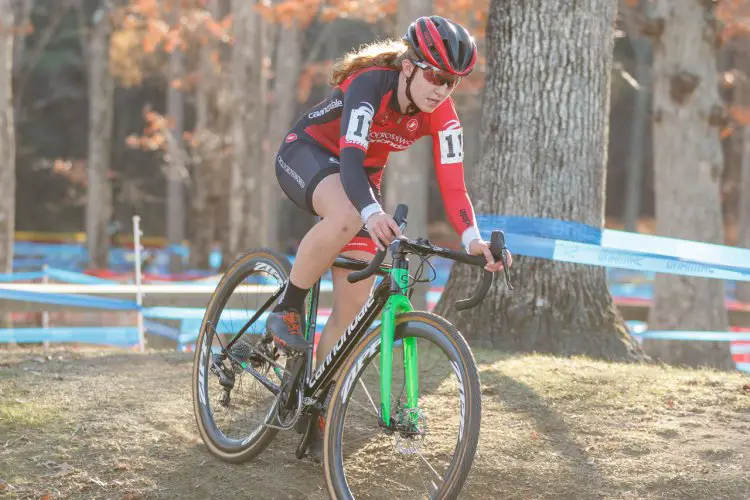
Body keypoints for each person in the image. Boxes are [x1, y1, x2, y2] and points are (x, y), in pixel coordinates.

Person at [267, 15, 512, 459]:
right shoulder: (369, 86)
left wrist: (473, 237)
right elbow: (350, 162)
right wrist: (370, 211)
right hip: (310, 154)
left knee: (353, 303)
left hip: (361, 180)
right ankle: (286, 309)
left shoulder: (443, 114)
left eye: (452, 82)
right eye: (435, 75)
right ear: (409, 67)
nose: (441, 88)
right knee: (345, 216)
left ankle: (314, 404)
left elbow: (453, 183)